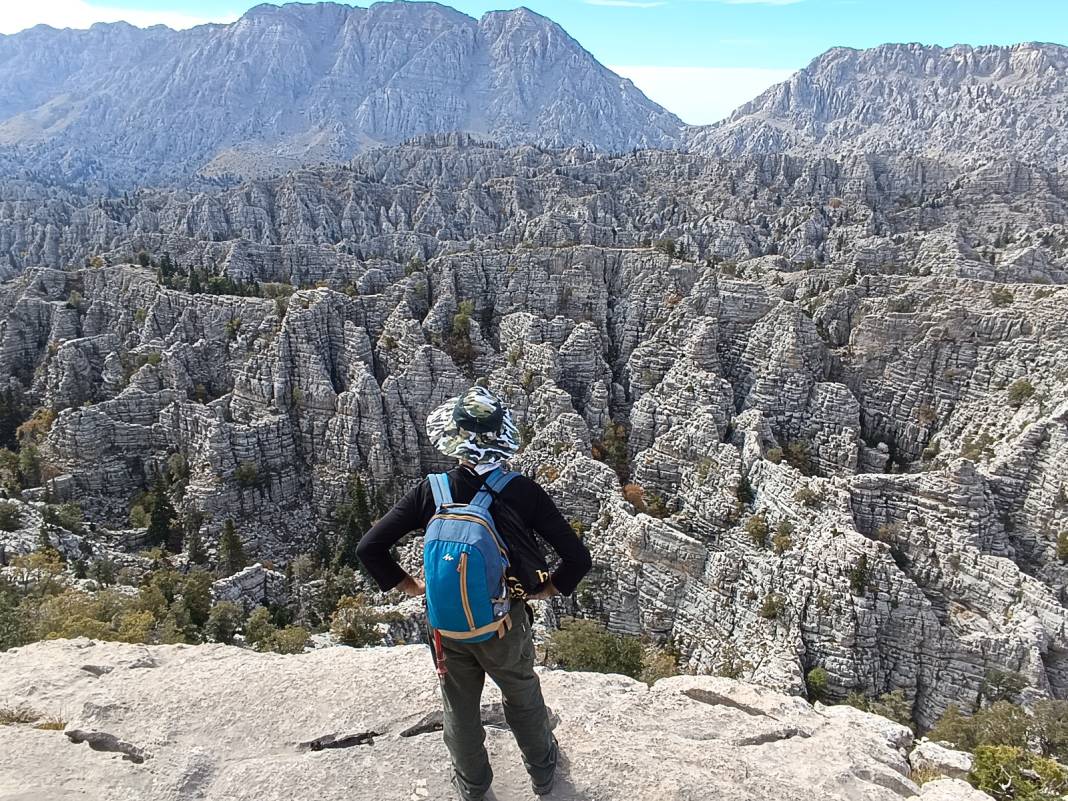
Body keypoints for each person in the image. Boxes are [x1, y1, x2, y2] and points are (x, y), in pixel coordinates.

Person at [357, 384, 592, 800]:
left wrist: (414, 588)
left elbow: (369, 548)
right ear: (501, 439)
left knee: (459, 708)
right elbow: (577, 559)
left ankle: (472, 786)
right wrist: (544, 592)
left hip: (447, 627)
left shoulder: (432, 490)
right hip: (504, 624)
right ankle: (542, 772)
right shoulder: (523, 491)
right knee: (521, 694)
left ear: (456, 439)